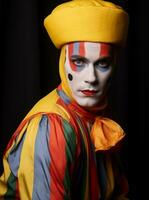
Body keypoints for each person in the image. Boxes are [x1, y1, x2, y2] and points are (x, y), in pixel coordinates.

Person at [0, 0, 129, 199]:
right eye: (79, 62)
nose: (91, 78)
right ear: (63, 62)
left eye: (102, 64)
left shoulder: (100, 116)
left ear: (114, 68)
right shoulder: (53, 127)